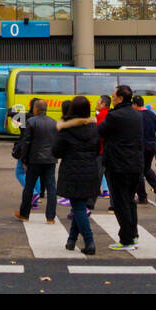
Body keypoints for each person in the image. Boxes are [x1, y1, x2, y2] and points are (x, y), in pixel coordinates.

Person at [98, 84, 144, 251]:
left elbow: (99, 132)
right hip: (136, 164)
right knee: (130, 201)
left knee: (120, 203)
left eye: (114, 96)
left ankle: (126, 239)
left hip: (118, 165)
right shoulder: (137, 115)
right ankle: (134, 234)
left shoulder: (115, 116)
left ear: (121, 98)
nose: (112, 98)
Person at [53, 95, 100, 255]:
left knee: (79, 207)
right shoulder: (95, 128)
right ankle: (71, 241)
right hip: (91, 170)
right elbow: (97, 149)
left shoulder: (66, 130)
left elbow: (56, 151)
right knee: (79, 205)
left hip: (73, 170)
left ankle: (89, 241)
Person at [15, 100, 58, 222]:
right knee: (51, 188)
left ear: (35, 109)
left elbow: (27, 142)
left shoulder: (31, 122)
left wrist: (24, 159)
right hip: (50, 160)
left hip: (35, 160)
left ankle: (24, 214)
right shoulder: (53, 122)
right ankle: (50, 217)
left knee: (29, 187)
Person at [133, 95, 156, 204]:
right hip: (151, 145)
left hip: (140, 145)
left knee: (138, 172)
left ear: (135, 104)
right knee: (146, 168)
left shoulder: (136, 115)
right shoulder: (152, 115)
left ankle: (142, 197)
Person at [95, 94, 112, 198]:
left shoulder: (103, 115)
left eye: (99, 102)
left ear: (104, 104)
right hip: (106, 150)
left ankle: (89, 203)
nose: (97, 103)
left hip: (101, 150)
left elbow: (100, 134)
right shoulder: (106, 114)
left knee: (97, 175)